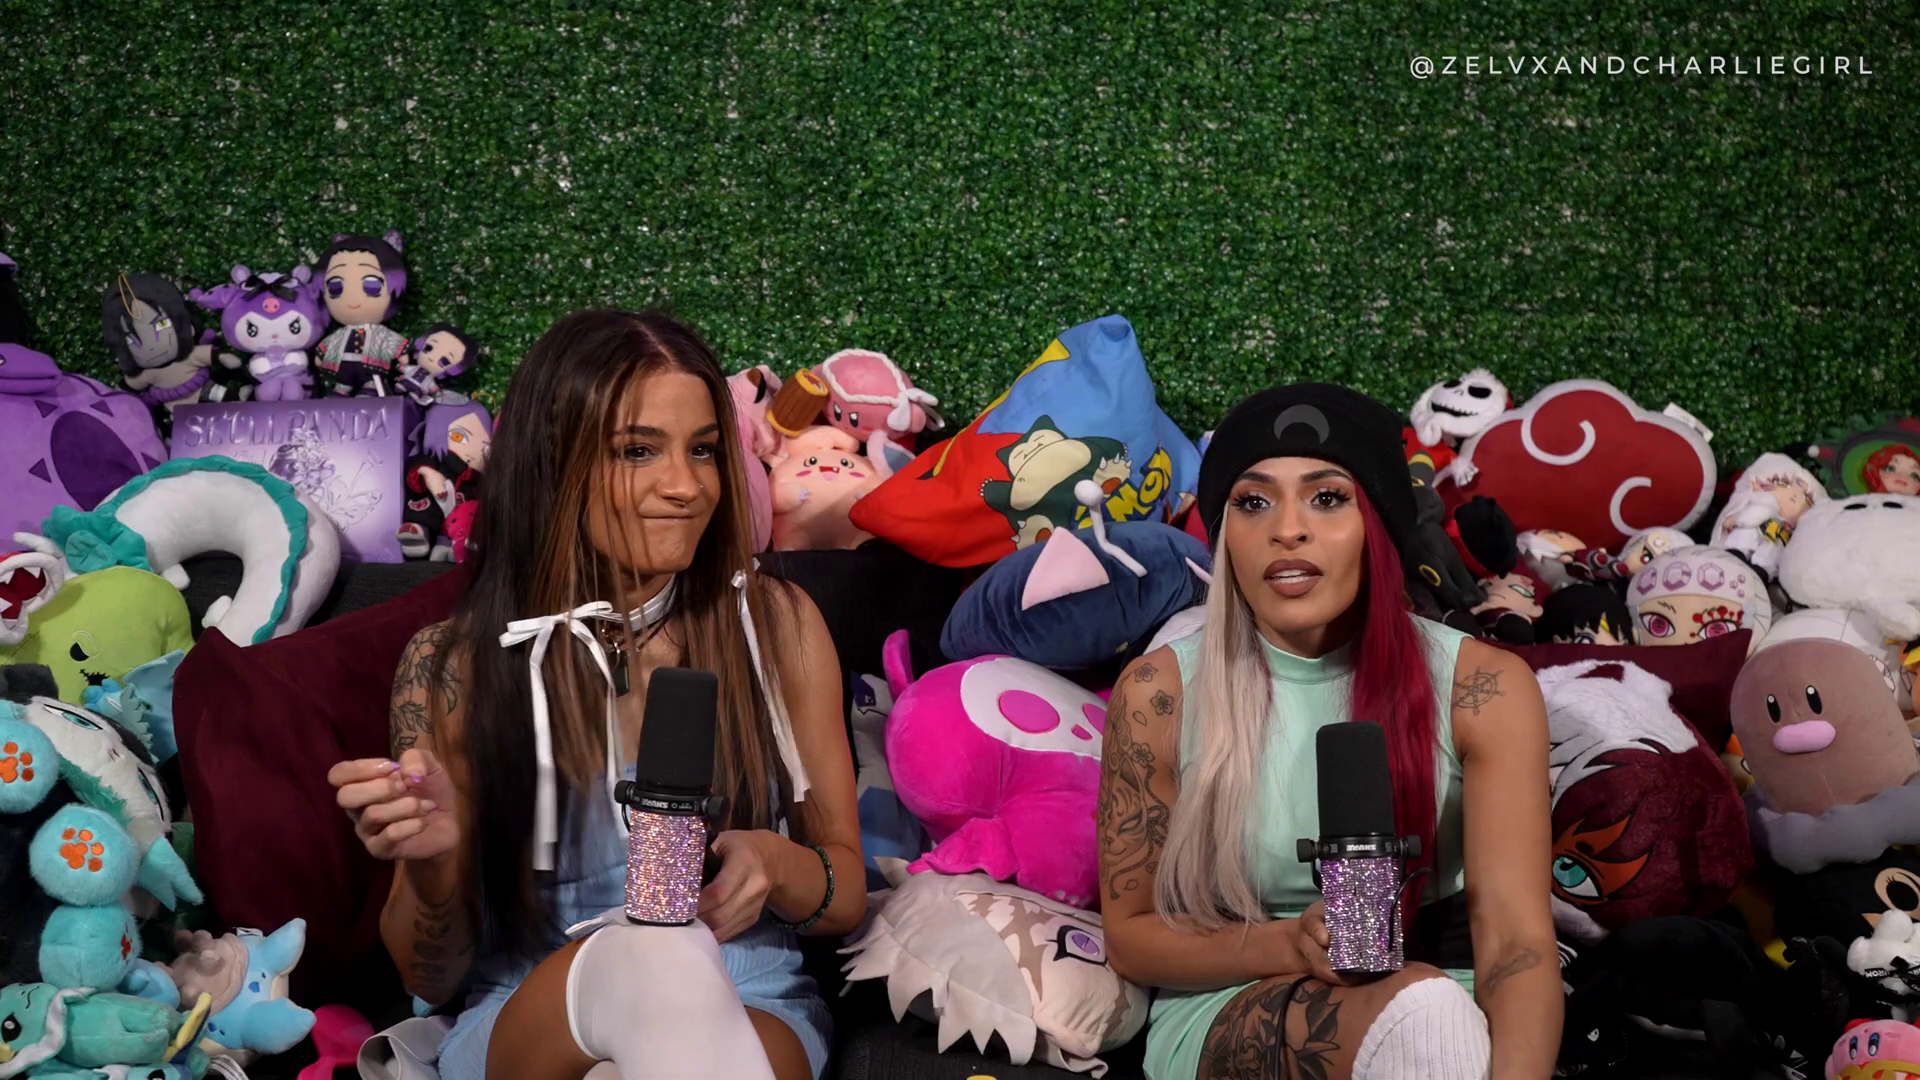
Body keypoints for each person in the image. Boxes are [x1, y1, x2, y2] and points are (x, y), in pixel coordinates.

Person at [328, 310, 864, 1080]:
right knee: (642, 967)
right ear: (552, 463)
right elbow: (430, 975)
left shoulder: (774, 625)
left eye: (703, 449)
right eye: (637, 451)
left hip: (745, 996)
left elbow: (845, 899)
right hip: (532, 1009)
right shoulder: (457, 667)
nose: (686, 486)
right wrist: (438, 862)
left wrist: (775, 864)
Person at [1099, 383, 1562, 1080]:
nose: (1288, 529)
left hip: (1449, 991)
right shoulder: (1158, 693)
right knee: (1425, 1016)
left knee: (1433, 1014)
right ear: (1225, 537)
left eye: (1326, 497)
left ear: (1378, 526)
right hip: (1237, 991)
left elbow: (1516, 945)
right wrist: (1291, 945)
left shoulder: (1484, 688)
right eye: (1253, 502)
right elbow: (1132, 939)